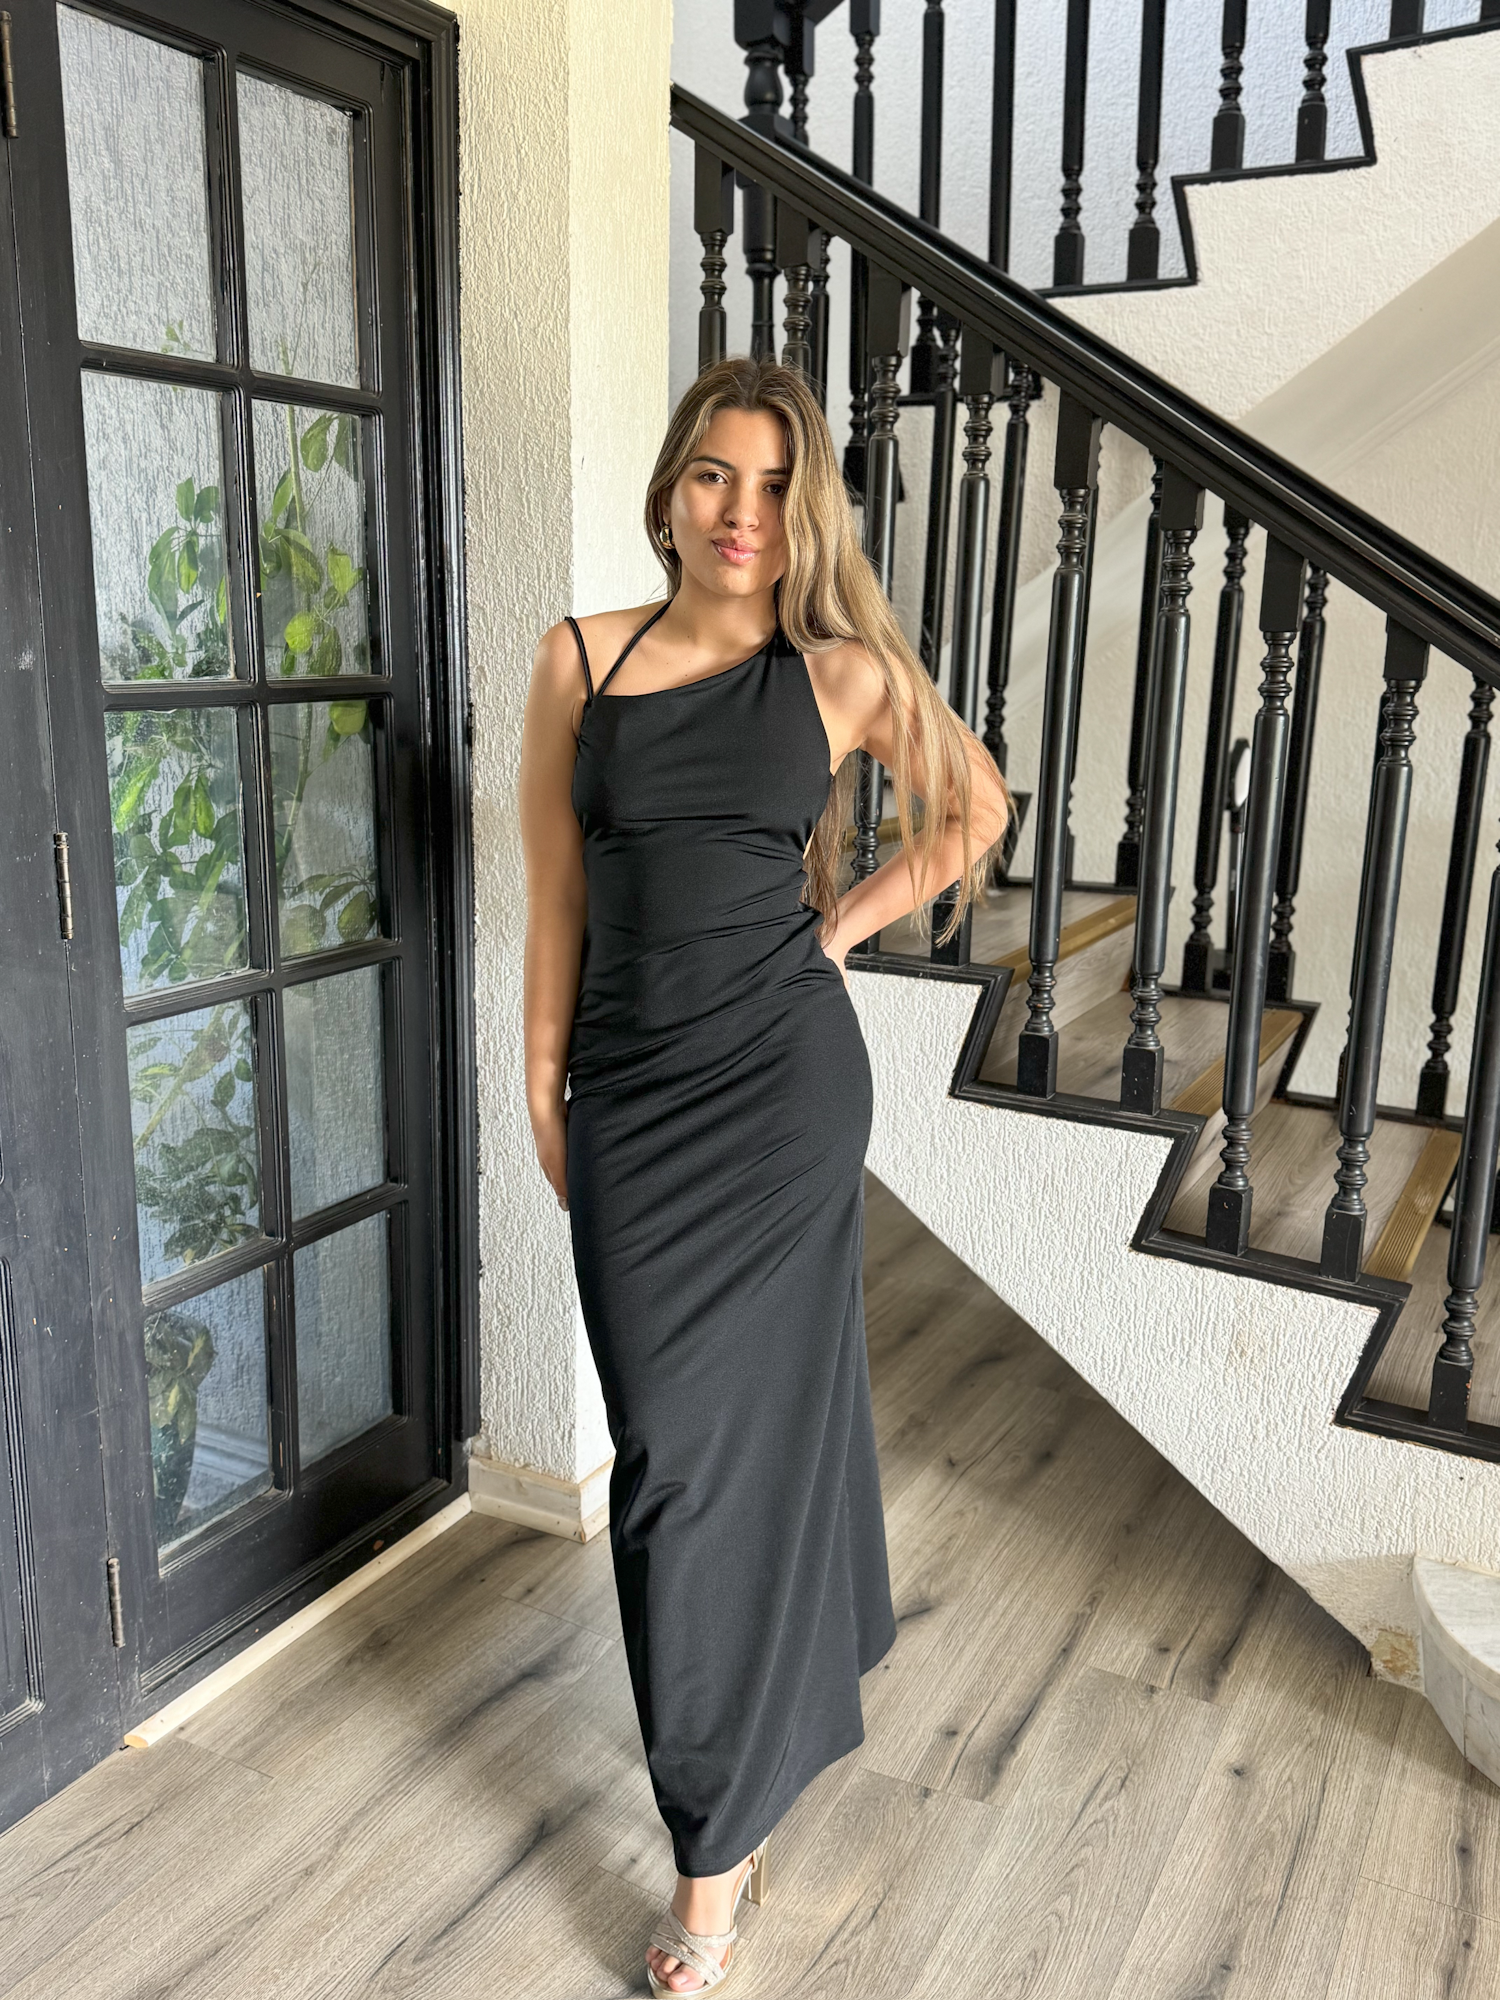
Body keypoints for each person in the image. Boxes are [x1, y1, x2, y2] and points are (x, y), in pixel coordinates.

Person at [519, 355, 1008, 1994]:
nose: (745, 511)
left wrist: (841, 925)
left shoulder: (844, 676)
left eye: (779, 485)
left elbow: (977, 807)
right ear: (672, 491)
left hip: (783, 1093)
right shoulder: (581, 659)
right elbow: (557, 893)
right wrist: (541, 1085)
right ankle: (761, 1743)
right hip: (630, 1101)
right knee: (670, 1458)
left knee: (748, 1444)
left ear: (810, 517)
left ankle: (712, 1856)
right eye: (718, 475)